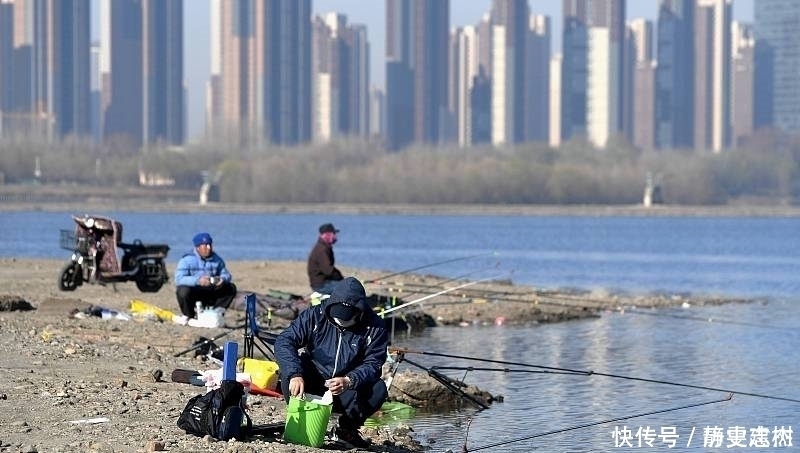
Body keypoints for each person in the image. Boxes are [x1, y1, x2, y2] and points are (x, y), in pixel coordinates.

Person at [274, 277, 389, 449]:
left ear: (359, 312)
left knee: (379, 389)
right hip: (312, 380)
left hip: (346, 387)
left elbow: (373, 363)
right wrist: (295, 374)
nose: (341, 321)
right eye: (337, 317)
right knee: (288, 373)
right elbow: (284, 341)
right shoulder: (315, 315)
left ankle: (346, 430)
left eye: (347, 318)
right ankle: (300, 420)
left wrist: (350, 380)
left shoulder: (375, 327)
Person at [174, 232, 237, 323]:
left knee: (230, 287)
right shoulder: (186, 260)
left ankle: (217, 312)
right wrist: (198, 281)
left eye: (210, 245)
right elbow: (179, 279)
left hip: (210, 290)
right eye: (205, 245)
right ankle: (189, 315)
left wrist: (222, 279)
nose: (209, 248)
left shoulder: (217, 259)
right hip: (194, 290)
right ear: (198, 247)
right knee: (182, 290)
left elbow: (226, 274)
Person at [307, 223, 344, 294]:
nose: (335, 236)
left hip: (324, 281)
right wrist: (340, 278)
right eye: (333, 234)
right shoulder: (322, 250)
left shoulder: (324, 247)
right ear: (327, 235)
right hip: (321, 285)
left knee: (347, 285)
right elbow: (328, 270)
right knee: (348, 289)